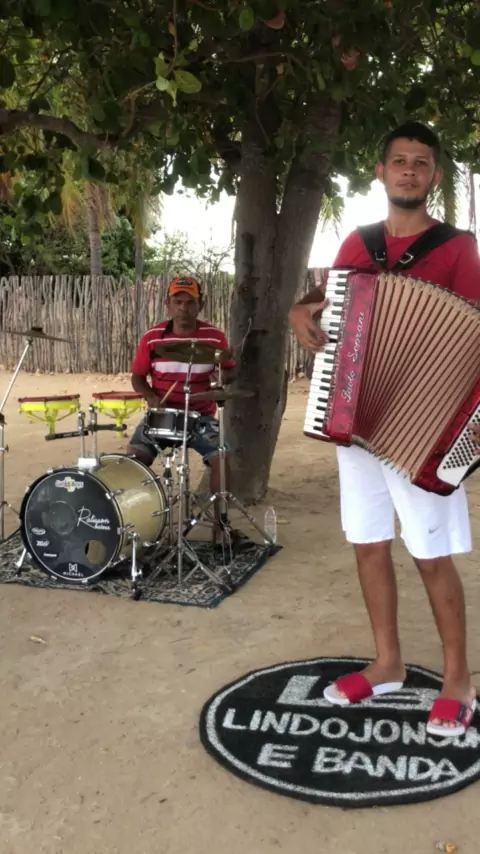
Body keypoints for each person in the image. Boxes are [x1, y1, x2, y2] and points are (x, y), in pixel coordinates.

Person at [289, 121, 480, 737]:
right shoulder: (358, 242)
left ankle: (458, 679)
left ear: (434, 176)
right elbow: (326, 299)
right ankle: (388, 662)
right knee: (368, 542)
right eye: (399, 160)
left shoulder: (457, 248)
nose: (408, 171)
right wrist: (298, 311)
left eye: (420, 163)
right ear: (381, 171)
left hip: (423, 430)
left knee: (430, 553)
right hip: (355, 417)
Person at [127, 276, 236, 520]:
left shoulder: (214, 337)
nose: (183, 308)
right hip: (162, 415)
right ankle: (137, 522)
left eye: (190, 302)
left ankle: (221, 526)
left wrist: (223, 376)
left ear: (200, 305)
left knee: (222, 457)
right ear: (167, 304)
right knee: (133, 460)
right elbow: (137, 378)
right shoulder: (152, 337)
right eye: (178, 302)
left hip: (200, 417)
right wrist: (150, 396)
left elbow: (230, 370)